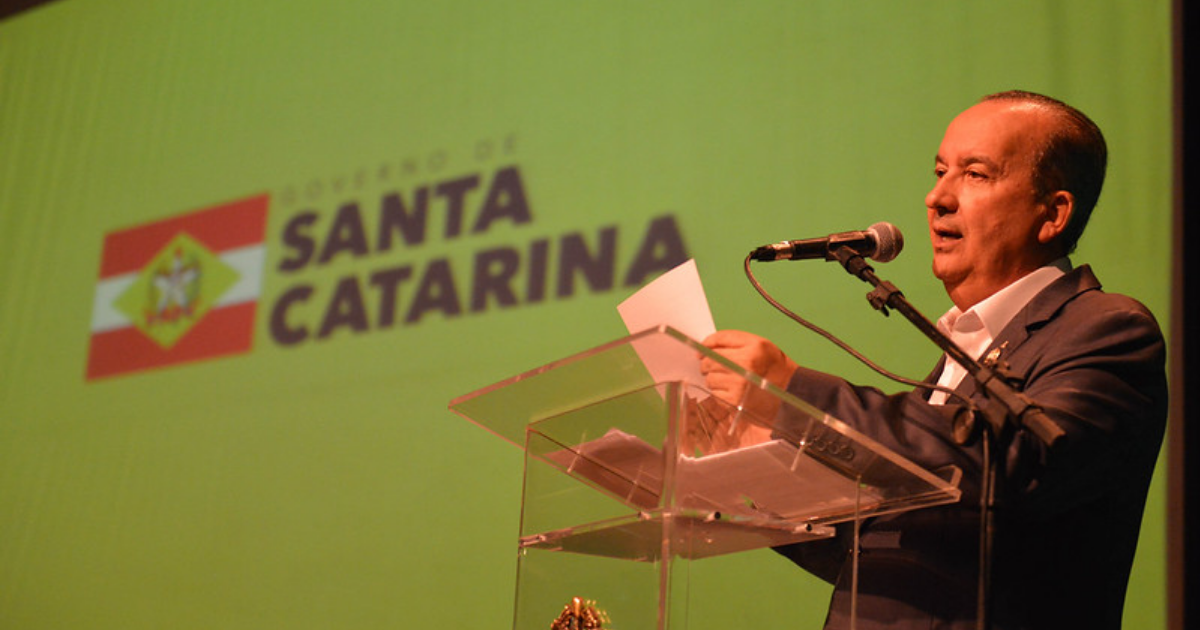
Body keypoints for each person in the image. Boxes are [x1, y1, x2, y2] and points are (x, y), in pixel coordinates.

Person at [699, 91, 1167, 630]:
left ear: (1053, 213)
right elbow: (881, 549)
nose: (937, 197)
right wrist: (747, 473)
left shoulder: (1107, 329)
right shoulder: (958, 356)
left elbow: (1017, 462)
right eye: (940, 171)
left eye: (975, 174)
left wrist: (796, 392)